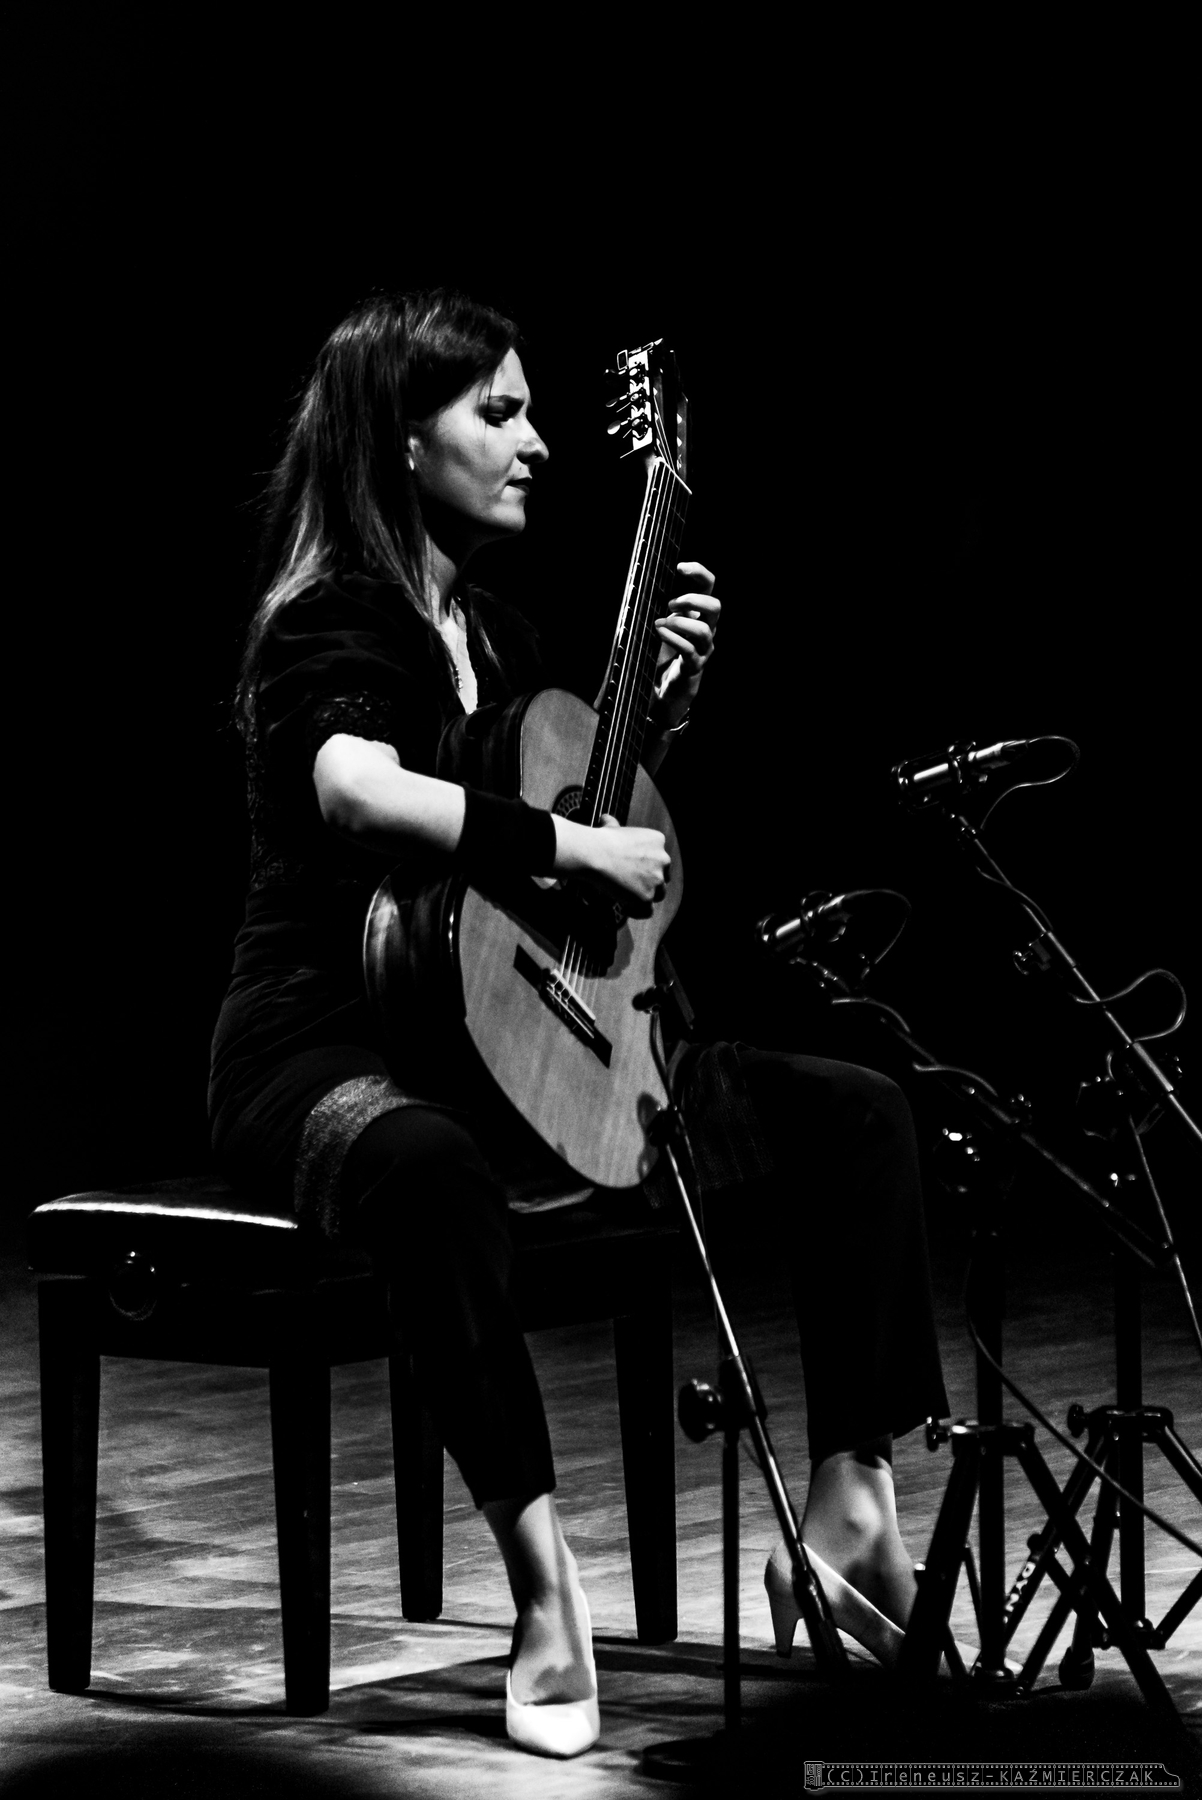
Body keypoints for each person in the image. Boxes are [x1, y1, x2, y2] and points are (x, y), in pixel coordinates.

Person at [210, 288, 948, 1759]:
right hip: (328, 1039)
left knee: (853, 1109)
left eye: (536, 409)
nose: (536, 442)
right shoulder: (330, 619)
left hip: (512, 1044)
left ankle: (855, 1507)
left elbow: (550, 877)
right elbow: (356, 791)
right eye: (498, 412)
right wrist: (567, 844)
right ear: (399, 438)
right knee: (430, 1172)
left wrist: (648, 723)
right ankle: (547, 1593)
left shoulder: (497, 631)